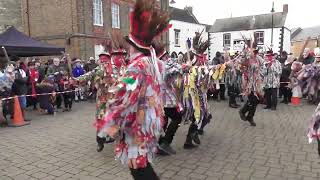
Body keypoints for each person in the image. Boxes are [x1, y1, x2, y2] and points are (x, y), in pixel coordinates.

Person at [97, 0, 171, 179]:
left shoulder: (136, 66)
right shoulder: (155, 64)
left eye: (128, 44)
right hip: (150, 121)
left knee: (137, 165)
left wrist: (112, 120)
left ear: (134, 45)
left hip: (136, 123)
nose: (127, 48)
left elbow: (125, 93)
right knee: (140, 163)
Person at [153, 42, 183, 155]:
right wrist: (184, 66)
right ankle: (165, 142)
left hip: (163, 99)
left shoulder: (159, 65)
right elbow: (174, 70)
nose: (168, 58)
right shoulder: (161, 66)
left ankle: (159, 144)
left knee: (164, 120)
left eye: (167, 56)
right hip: (166, 100)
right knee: (177, 118)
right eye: (165, 56)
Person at [239, 48, 264, 126]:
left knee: (256, 101)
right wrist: (245, 85)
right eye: (254, 51)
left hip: (257, 82)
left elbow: (263, 64)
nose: (255, 53)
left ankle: (249, 116)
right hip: (249, 83)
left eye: (256, 51)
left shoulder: (257, 59)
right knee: (252, 100)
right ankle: (243, 112)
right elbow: (242, 70)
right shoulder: (246, 60)